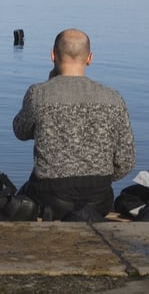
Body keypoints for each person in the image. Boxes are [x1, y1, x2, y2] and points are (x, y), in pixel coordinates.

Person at [13, 28, 136, 221]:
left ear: (53, 55)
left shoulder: (38, 93)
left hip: (49, 197)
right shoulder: (114, 98)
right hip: (99, 197)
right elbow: (126, 161)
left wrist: (50, 84)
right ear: (90, 58)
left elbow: (20, 131)